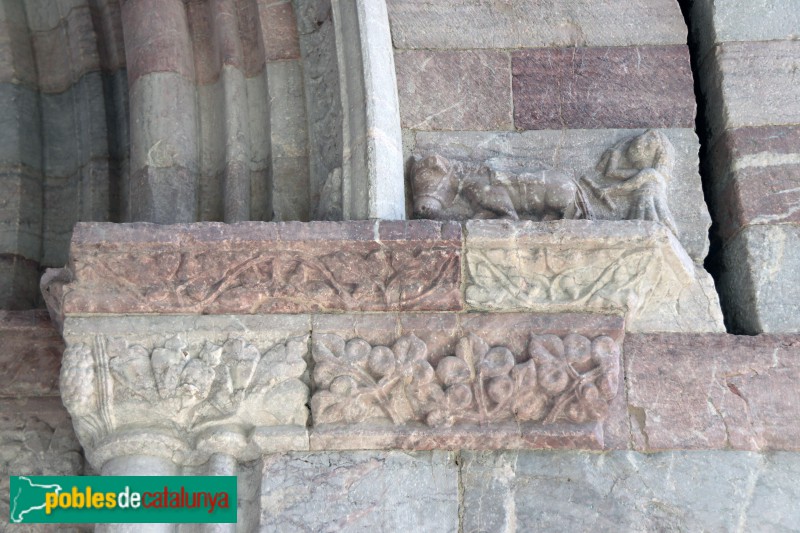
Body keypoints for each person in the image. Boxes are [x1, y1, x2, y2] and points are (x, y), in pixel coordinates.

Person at [591, 130, 679, 236]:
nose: (634, 165)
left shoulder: (651, 173)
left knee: (654, 225)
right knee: (638, 230)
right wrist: (615, 154)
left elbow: (631, 185)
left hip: (649, 203)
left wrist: (608, 190)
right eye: (634, 162)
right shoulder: (641, 171)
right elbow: (611, 173)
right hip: (639, 203)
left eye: (638, 162)